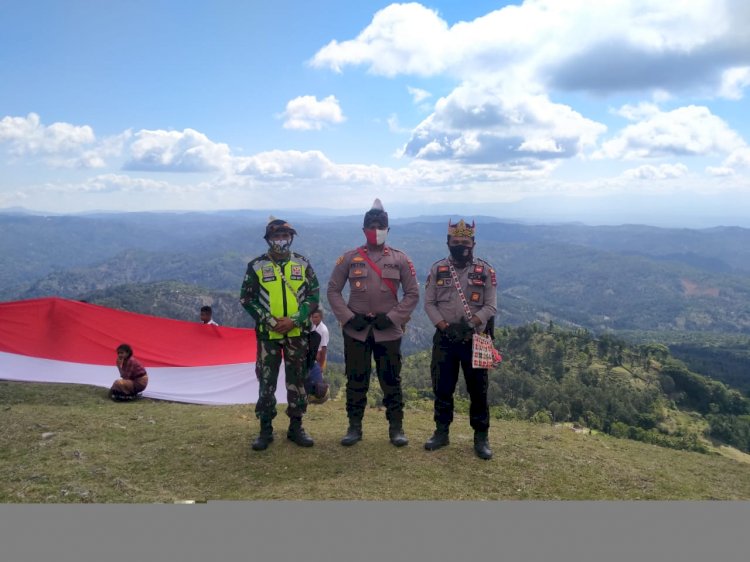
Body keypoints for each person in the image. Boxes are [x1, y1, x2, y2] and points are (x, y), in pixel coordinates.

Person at [327, 199, 419, 447]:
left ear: (388, 229)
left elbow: (412, 294)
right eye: (371, 225)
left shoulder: (400, 259)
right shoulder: (349, 258)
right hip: (356, 331)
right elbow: (333, 290)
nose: (376, 229)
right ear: (363, 228)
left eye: (380, 225)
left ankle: (396, 429)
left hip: (388, 331)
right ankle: (354, 427)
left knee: (392, 382)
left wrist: (392, 318)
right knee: (356, 380)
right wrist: (348, 317)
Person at [240, 218, 320, 450]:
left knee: (297, 380)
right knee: (267, 382)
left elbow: (314, 296)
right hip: (269, 335)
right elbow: (247, 299)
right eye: (276, 236)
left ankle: (296, 427)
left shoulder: (302, 263)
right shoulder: (256, 266)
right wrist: (269, 320)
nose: (281, 240)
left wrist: (295, 319)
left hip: (297, 334)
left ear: (291, 238)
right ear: (268, 239)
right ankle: (265, 429)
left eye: (285, 236)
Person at [423, 219, 498, 460]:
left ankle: (481, 437)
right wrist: (443, 326)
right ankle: (441, 432)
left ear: (473, 243)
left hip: (474, 338)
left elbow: (490, 306)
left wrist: (471, 323)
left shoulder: (485, 271)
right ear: (447, 243)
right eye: (455, 242)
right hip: (444, 337)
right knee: (443, 387)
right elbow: (430, 303)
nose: (461, 246)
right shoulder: (438, 269)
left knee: (478, 390)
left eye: (465, 242)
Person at [310, 309, 329, 373]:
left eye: (316, 317)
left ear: (321, 317)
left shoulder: (323, 330)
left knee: (317, 378)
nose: (313, 319)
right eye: (312, 317)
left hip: (320, 359)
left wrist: (321, 365)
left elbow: (324, 348)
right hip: (313, 357)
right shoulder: (314, 327)